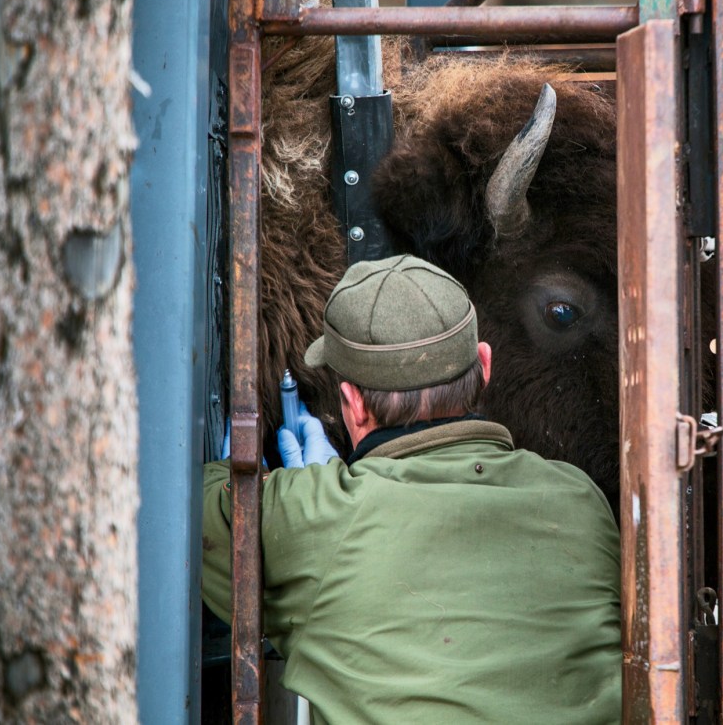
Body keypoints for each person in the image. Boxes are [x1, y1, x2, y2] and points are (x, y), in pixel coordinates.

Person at [201, 254, 622, 723]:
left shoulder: (313, 515)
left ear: (353, 405)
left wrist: (295, 488)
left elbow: (189, 506)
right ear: (485, 366)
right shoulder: (582, 502)